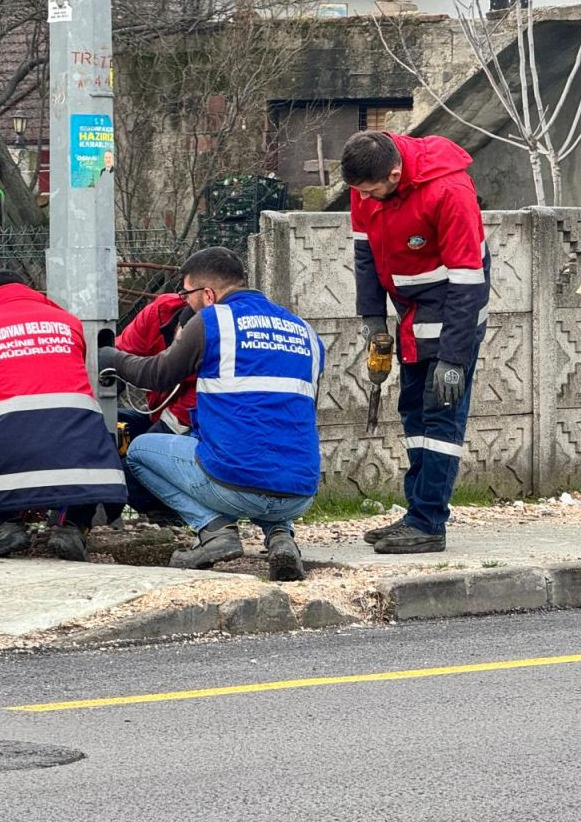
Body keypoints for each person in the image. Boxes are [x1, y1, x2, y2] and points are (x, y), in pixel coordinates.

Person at [98, 247, 324, 582]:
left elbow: (157, 375)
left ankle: (216, 532)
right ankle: (280, 537)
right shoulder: (304, 330)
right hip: (300, 492)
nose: (184, 300)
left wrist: (110, 357)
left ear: (207, 294)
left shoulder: (213, 320)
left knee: (141, 450)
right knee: (270, 449)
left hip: (235, 485)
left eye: (187, 293)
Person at [341, 130, 489, 554]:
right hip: (410, 311)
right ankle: (417, 514)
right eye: (359, 193)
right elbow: (366, 253)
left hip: (453, 307)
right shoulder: (367, 185)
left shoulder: (450, 191)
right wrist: (372, 316)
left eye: (371, 192)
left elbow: (468, 280)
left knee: (440, 413)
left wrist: (454, 358)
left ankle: (429, 524)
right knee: (413, 410)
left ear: (394, 173)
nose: (365, 201)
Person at [0, 271, 126, 561]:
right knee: (88, 438)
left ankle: (4, 524)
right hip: (78, 451)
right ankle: (71, 526)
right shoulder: (70, 323)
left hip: (3, 447)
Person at [108, 294, 197, 527]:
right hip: (159, 412)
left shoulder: (217, 338)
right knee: (110, 425)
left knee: (135, 461)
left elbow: (186, 413)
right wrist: (110, 376)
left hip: (191, 425)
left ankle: (168, 513)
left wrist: (149, 442)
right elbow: (122, 348)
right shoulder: (160, 313)